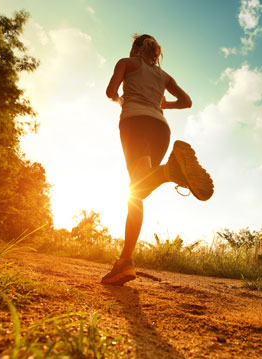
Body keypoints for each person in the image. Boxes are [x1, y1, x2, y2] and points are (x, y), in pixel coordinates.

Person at [101, 34, 213, 285]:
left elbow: (110, 91)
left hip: (135, 123)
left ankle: (168, 172)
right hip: (161, 128)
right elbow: (186, 102)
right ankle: (125, 262)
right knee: (138, 190)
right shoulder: (164, 76)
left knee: (136, 189)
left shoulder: (127, 63)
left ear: (135, 49)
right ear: (156, 53)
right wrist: (163, 105)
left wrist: (122, 101)